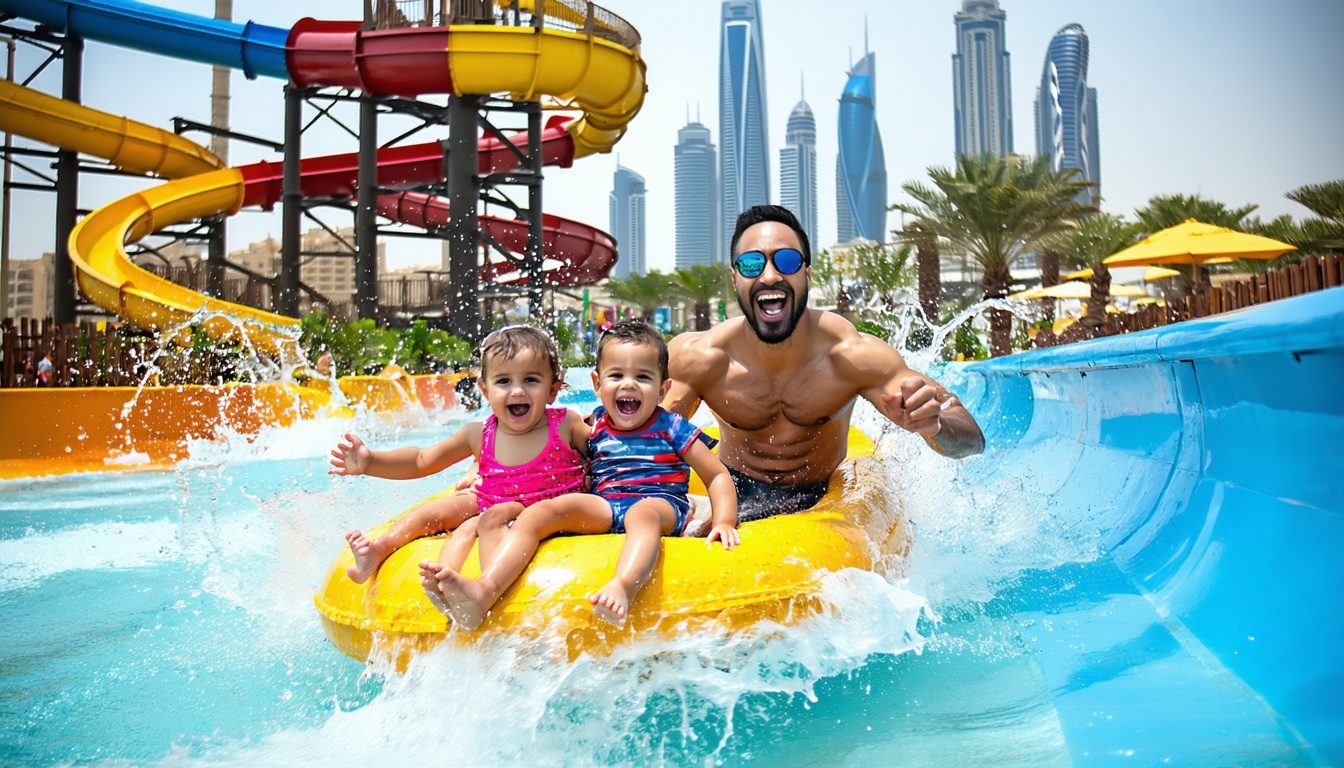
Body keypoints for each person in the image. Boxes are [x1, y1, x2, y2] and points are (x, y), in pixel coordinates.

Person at [663, 205, 985, 522]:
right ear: (735, 279)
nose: (770, 276)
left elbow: (972, 439)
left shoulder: (851, 355)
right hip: (734, 492)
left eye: (787, 262)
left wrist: (936, 426)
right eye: (751, 264)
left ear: (807, 275)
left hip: (823, 498)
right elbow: (637, 434)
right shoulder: (700, 359)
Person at [422, 320, 739, 629]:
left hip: (660, 502)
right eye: (617, 375)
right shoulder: (595, 424)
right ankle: (485, 589)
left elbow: (716, 475)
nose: (628, 384)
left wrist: (724, 520)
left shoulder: (672, 427)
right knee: (541, 512)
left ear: (663, 389)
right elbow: (552, 446)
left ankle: (623, 585)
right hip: (607, 505)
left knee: (642, 514)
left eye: (642, 377)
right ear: (597, 385)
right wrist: (478, 465)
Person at [330, 325, 589, 584]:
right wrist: (371, 462)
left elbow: (605, 451)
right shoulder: (478, 434)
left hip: (552, 509)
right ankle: (379, 550)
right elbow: (422, 461)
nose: (517, 390)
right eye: (503, 381)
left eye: (531, 380)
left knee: (479, 520)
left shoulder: (566, 424)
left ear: (552, 390)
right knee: (429, 513)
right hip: (492, 502)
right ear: (486, 391)